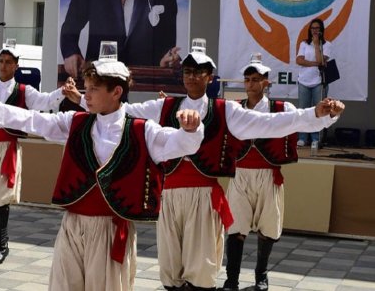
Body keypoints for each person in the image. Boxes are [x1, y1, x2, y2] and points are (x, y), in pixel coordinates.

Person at [65, 44, 344, 290]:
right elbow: (119, 113)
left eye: (199, 71)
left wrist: (316, 116)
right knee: (170, 269)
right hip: (169, 197)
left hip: (203, 197)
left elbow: (271, 124)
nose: (192, 76)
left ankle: (253, 276)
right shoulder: (164, 107)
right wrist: (84, 98)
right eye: (187, 71)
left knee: (202, 269)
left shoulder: (226, 110)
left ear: (210, 76)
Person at [0, 59, 204, 290]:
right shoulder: (75, 122)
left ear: (116, 92)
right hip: (72, 226)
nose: (86, 95)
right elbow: (31, 120)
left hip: (111, 230)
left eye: (94, 89)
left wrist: (192, 129)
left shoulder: (143, 130)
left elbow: (181, 144)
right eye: (86, 88)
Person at [0, 46, 65, 265]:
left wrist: (63, 91)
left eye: (8, 62)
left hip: (6, 146)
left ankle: (1, 245)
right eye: (1, 61)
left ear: (16, 65)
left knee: (1, 196)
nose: (4, 65)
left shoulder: (24, 91)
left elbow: (45, 101)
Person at [220, 56, 303, 291]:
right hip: (240, 175)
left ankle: (261, 277)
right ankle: (232, 279)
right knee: (236, 227)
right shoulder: (234, 109)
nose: (250, 84)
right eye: (247, 80)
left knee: (268, 228)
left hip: (268, 175)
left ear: (266, 83)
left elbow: (300, 120)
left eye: (255, 80)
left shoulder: (282, 108)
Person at [60, 0, 179, 78]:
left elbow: (167, 41)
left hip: (142, 81)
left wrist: (165, 60)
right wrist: (71, 52)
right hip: (100, 78)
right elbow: (70, 26)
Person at [296, 18, 332, 149]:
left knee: (319, 110)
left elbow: (321, 60)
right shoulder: (304, 44)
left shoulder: (327, 44)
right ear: (309, 30)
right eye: (312, 28)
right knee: (304, 110)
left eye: (317, 28)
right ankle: (302, 137)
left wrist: (317, 45)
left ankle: (316, 138)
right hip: (304, 81)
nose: (315, 31)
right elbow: (299, 60)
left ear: (321, 30)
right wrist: (314, 64)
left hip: (319, 82)